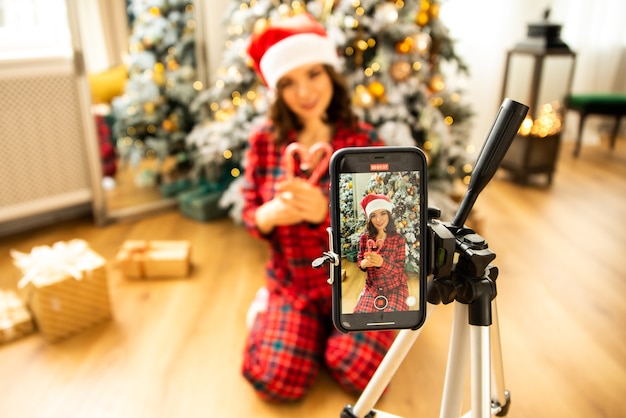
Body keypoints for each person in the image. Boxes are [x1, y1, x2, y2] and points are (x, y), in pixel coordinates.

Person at [241, 13, 395, 402]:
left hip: (357, 283)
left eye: (314, 74)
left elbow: (388, 226)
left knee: (358, 372)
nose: (304, 92)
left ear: (331, 75)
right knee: (276, 380)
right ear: (276, 90)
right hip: (294, 285)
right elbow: (249, 212)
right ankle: (287, 320)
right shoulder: (264, 142)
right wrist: (267, 215)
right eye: (288, 82)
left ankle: (332, 334)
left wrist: (324, 216)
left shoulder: (363, 141)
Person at [354, 194, 410, 313]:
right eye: (373, 216)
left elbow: (400, 270)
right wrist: (364, 263)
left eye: (383, 213)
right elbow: (360, 261)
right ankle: (364, 297)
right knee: (361, 316)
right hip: (373, 287)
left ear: (389, 214)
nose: (379, 220)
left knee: (393, 316)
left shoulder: (398, 238)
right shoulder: (365, 238)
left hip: (396, 288)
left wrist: (382, 263)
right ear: (369, 218)